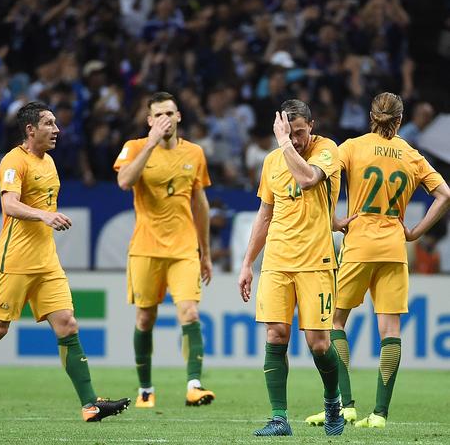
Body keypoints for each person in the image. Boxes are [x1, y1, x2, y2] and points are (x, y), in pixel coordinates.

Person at [0, 101, 130, 422]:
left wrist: (45, 219)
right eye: (49, 123)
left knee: (67, 324)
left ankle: (90, 403)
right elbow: (10, 204)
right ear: (30, 130)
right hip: (15, 260)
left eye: (56, 123)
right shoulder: (13, 161)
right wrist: (44, 215)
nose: (57, 129)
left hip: (46, 262)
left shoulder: (49, 162)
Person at [305, 92, 450, 428]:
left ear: (371, 116)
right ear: (400, 120)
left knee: (334, 322)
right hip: (395, 249)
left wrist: (333, 219)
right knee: (391, 331)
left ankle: (346, 406)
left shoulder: (352, 147)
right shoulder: (412, 156)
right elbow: (444, 194)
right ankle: (380, 414)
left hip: (358, 245)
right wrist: (414, 232)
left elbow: (320, 177)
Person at [238, 99, 348, 437]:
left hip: (316, 262)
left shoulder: (327, 151)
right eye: (290, 133)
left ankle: (333, 401)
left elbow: (307, 180)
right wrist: (247, 264)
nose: (296, 139)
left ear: (311, 126)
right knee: (276, 335)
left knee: (318, 342)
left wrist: (284, 141)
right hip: (277, 261)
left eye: (300, 132)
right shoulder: (271, 162)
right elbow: (264, 215)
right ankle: (279, 418)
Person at [113, 91, 215, 408]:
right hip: (145, 247)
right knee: (145, 319)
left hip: (184, 248)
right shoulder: (134, 147)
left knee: (190, 312)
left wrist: (205, 252)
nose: (164, 120)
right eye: (158, 115)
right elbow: (125, 182)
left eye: (169, 114)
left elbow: (200, 204)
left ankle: (194, 385)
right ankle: (145, 389)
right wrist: (150, 144)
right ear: (149, 120)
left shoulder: (195, 153)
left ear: (179, 116)